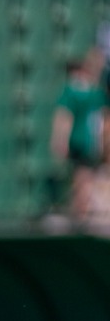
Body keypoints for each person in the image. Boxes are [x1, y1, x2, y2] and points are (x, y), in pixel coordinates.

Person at [50, 53, 109, 223]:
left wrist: (59, 140)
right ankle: (82, 214)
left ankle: (82, 215)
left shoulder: (77, 92)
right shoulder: (94, 93)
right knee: (84, 180)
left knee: (83, 180)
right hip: (90, 142)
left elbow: (64, 117)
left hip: (84, 141)